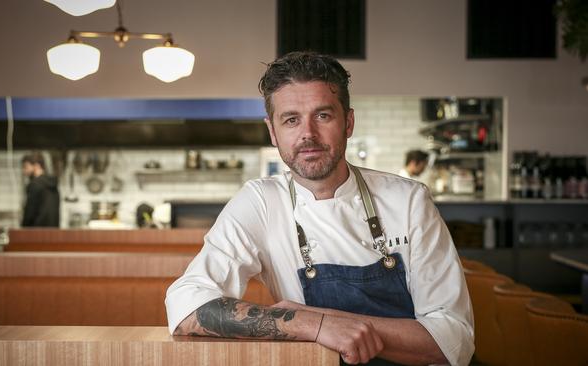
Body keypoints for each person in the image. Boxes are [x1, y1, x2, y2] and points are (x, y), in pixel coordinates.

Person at [165, 52, 473, 365]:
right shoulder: (261, 202)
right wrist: (314, 324)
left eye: (323, 115)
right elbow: (186, 306)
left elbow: (454, 339)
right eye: (291, 120)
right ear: (273, 132)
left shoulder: (408, 201)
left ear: (348, 122)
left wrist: (334, 320)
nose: (307, 134)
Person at [21, 152, 60, 227]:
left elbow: (29, 213)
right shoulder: (53, 184)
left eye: (26, 167)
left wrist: (23, 228)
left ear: (37, 166)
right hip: (53, 233)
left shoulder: (35, 185)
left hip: (35, 233)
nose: (24, 171)